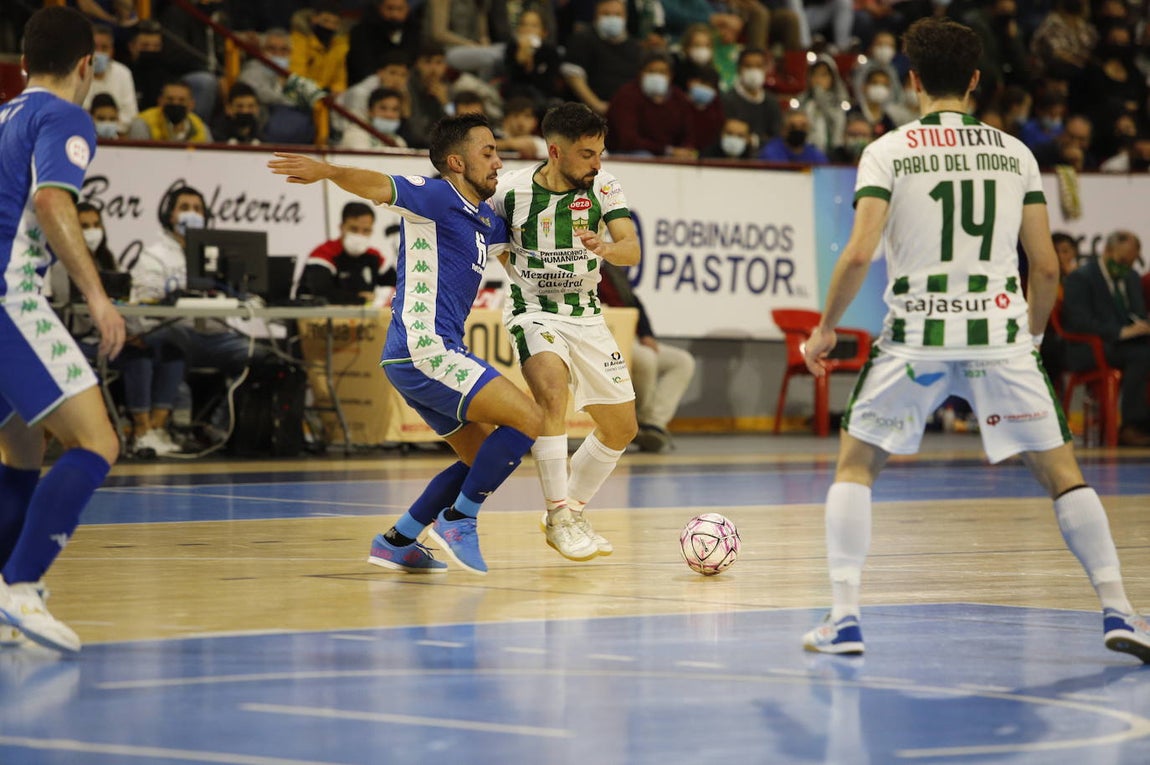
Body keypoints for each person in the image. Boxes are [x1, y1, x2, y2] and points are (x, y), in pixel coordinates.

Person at [799, 17, 1150, 662]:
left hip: (916, 334)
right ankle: (1120, 610)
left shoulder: (888, 150)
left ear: (912, 81)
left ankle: (844, 617)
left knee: (856, 466)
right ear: (976, 80)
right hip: (1000, 334)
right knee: (1063, 475)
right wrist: (1032, 337)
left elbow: (859, 253)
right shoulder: (1016, 154)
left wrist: (824, 329)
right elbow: (1046, 267)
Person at [268, 115, 543, 575]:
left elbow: (522, 246)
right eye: (488, 152)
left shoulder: (484, 221)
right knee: (530, 418)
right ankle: (459, 519)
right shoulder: (436, 196)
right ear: (457, 162)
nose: (498, 161)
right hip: (425, 349)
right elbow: (379, 185)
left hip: (415, 356)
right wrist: (329, 171)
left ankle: (397, 541)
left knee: (481, 459)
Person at [0, 6, 126, 654]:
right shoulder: (64, 116)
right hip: (8, 297)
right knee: (98, 441)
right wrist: (98, 298)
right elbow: (52, 200)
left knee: (22, 452)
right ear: (87, 65)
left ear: (23, 62)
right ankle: (20, 585)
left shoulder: (3, 114)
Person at [490, 102, 640, 561]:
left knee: (621, 428)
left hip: (587, 315)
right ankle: (558, 516)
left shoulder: (604, 186)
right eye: (587, 154)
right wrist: (528, 277)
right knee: (552, 394)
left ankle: (570, 509)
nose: (597, 163)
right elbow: (498, 249)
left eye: (600, 153)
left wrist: (606, 248)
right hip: (532, 311)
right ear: (555, 152)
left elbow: (631, 249)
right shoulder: (509, 191)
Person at [1061, 231, 1150, 447]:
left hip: (1124, 345)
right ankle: (1132, 426)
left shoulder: (1131, 277)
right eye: (1122, 261)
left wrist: (1141, 325)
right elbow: (1078, 322)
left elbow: (1138, 312)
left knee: (1143, 351)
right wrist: (1120, 332)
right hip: (1089, 347)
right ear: (1107, 251)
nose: (1126, 267)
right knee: (1142, 356)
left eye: (1131, 262)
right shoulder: (1081, 278)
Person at [598, 262, 696, 453]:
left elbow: (634, 302)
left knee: (682, 361)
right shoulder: (575, 270)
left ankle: (654, 423)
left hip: (631, 337)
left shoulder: (612, 270)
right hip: (606, 340)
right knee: (646, 358)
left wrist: (646, 334)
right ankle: (640, 422)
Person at [299, 201, 397, 304]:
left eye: (366, 230)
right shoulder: (323, 254)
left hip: (364, 313)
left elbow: (398, 286)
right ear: (342, 227)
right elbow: (320, 294)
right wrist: (361, 299)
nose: (359, 235)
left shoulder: (374, 255)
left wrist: (380, 296)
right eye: (354, 229)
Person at [606, 50, 698, 158]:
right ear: (641, 73)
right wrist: (667, 150)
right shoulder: (626, 95)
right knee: (643, 156)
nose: (657, 76)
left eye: (662, 72)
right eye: (651, 71)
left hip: (669, 155)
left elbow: (689, 134)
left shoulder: (679, 98)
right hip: (627, 154)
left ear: (671, 75)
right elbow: (628, 140)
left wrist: (685, 150)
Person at [81, 24, 138, 135]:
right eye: (95, 47)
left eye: (104, 48)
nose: (98, 52)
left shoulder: (123, 73)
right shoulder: (75, 72)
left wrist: (110, 125)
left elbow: (131, 114)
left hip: (118, 134)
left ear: (112, 51)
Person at [127, 79, 213, 143]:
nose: (175, 103)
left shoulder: (200, 127)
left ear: (191, 104)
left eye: (181, 100)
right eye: (170, 99)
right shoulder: (143, 124)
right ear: (160, 101)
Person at [758, 109, 828, 164]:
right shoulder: (770, 153)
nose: (798, 130)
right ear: (783, 130)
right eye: (792, 127)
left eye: (803, 127)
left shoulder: (815, 154)